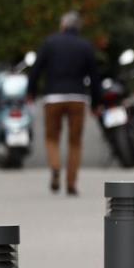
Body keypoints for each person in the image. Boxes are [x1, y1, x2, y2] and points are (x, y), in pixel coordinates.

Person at [29, 11, 100, 196]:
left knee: (52, 137)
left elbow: (36, 70)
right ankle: (71, 183)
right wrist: (96, 103)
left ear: (63, 25)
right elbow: (94, 77)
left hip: (53, 97)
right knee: (75, 142)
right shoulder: (85, 46)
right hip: (77, 98)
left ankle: (55, 167)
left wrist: (30, 92)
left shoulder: (49, 43)